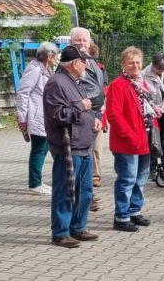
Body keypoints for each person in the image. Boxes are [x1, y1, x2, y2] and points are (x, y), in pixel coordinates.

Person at [43, 45, 102, 248]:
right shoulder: (56, 83)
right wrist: (82, 107)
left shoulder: (75, 82)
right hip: (68, 147)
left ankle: (78, 228)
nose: (86, 64)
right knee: (65, 190)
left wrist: (94, 118)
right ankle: (60, 232)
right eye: (84, 61)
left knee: (84, 191)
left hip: (83, 144)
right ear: (75, 63)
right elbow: (58, 115)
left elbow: (87, 107)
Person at [108, 47, 156, 232]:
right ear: (123, 65)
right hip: (127, 141)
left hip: (143, 138)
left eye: (137, 62)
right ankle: (121, 216)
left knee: (140, 178)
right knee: (127, 178)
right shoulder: (118, 85)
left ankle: (134, 210)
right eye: (131, 63)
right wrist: (128, 134)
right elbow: (114, 114)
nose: (135, 66)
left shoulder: (140, 83)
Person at [69, 28, 107, 212]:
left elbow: (100, 91)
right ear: (71, 42)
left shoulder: (94, 64)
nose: (82, 43)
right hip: (80, 119)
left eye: (84, 40)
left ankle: (87, 195)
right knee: (81, 160)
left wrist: (101, 115)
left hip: (96, 116)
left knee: (93, 156)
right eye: (78, 40)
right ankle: (81, 197)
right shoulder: (71, 66)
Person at [17, 42, 60, 196]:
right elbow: (23, 93)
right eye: (55, 55)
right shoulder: (34, 69)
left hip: (45, 116)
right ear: (49, 56)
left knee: (43, 148)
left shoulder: (46, 70)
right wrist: (22, 117)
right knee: (39, 149)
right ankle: (35, 184)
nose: (56, 58)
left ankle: (38, 181)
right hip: (36, 116)